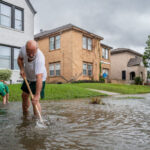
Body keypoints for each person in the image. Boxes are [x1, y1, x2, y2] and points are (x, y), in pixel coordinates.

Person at [17, 40, 47, 117]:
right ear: (26, 48)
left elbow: (39, 77)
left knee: (34, 100)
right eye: (28, 52)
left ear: (37, 49)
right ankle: (25, 115)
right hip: (28, 77)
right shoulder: (23, 49)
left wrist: (37, 95)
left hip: (39, 79)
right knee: (24, 95)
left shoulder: (40, 58)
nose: (30, 54)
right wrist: (22, 69)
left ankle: (37, 121)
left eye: (33, 52)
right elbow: (20, 59)